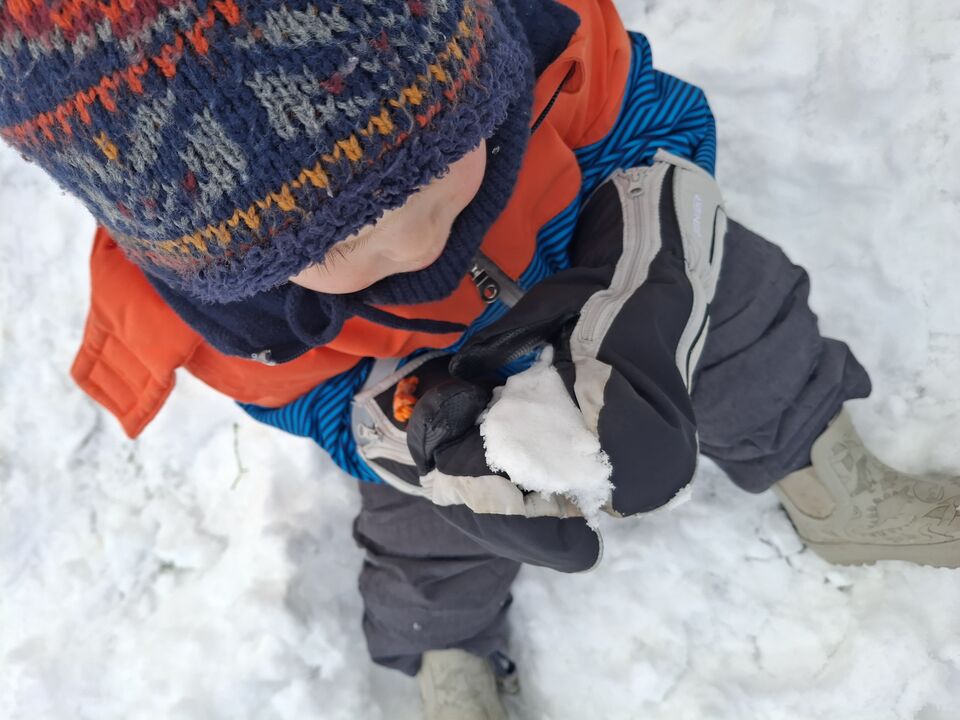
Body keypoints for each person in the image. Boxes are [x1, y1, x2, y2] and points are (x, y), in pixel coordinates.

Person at [2, 0, 957, 718]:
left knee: (746, 313)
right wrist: (408, 434)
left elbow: (649, 125)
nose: (419, 243)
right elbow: (305, 395)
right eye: (340, 240)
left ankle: (833, 482)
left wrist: (645, 267)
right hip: (431, 385)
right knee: (426, 533)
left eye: (440, 162)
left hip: (592, 259)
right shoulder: (227, 309)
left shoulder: (542, 41)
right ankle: (446, 652)